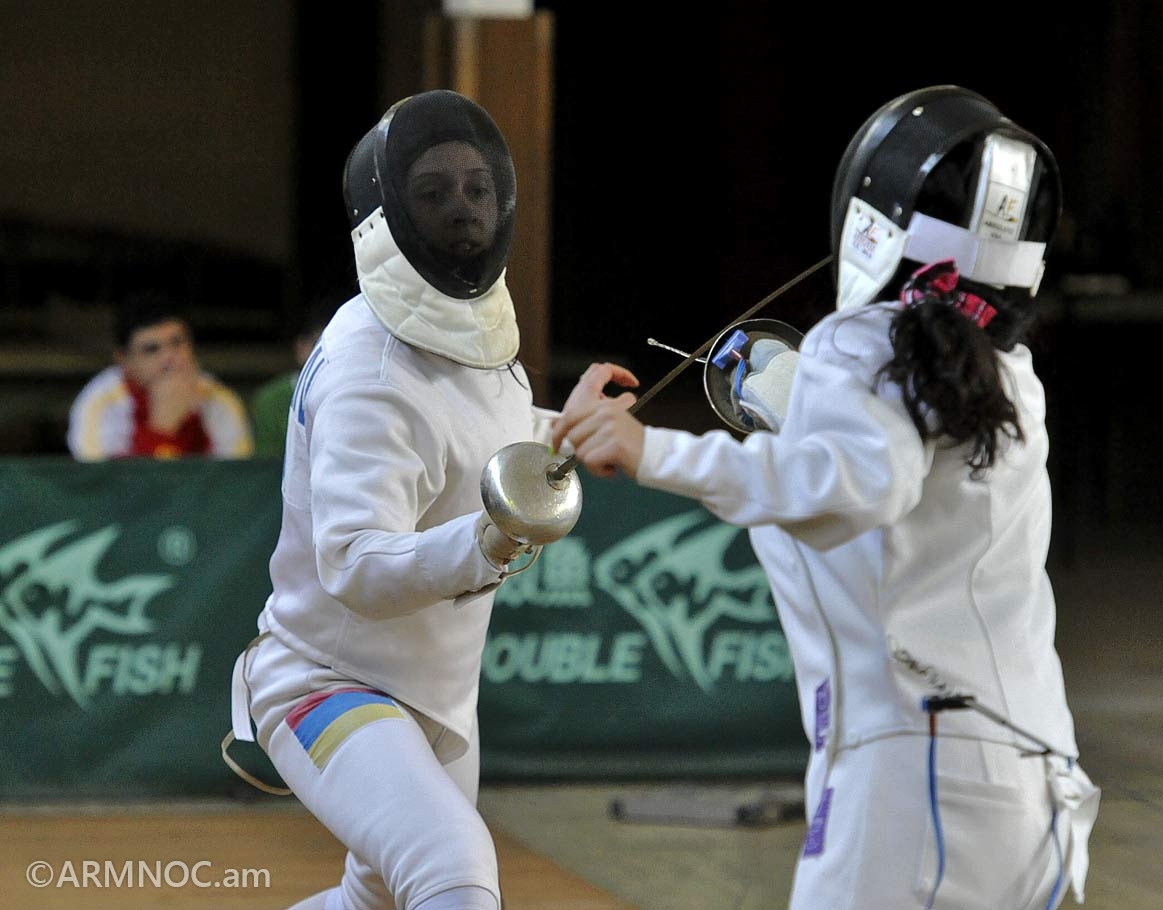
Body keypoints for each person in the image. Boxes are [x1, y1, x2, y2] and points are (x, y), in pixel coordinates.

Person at [552, 85, 1100, 910]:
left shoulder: (863, 346)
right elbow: (895, 451)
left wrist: (650, 449)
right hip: (1036, 787)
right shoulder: (1010, 378)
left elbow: (861, 483)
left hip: (914, 775)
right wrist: (797, 397)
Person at [225, 90, 635, 910]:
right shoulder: (369, 374)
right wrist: (490, 540)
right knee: (454, 870)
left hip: (440, 701)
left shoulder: (475, 334)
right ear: (386, 216)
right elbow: (354, 565)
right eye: (432, 192)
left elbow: (477, 438)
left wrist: (565, 429)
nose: (463, 209)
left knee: (373, 903)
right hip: (326, 683)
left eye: (477, 188)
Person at [67, 290, 253, 460]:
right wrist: (162, 429)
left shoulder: (218, 398)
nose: (168, 358)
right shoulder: (100, 402)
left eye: (177, 343)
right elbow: (102, 482)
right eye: (151, 349)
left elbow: (234, 480)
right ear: (124, 360)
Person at [250, 301, 335, 458]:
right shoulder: (270, 400)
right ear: (301, 348)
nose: (329, 355)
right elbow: (265, 464)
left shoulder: (356, 393)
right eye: (319, 345)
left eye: (337, 347)